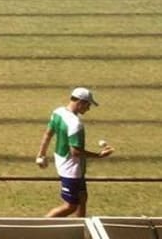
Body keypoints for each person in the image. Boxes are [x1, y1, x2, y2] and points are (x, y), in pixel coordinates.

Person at [36, 87, 112, 217]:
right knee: (70, 206)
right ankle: (39, 226)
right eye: (88, 105)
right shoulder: (75, 124)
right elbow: (75, 152)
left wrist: (41, 153)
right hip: (71, 170)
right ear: (81, 102)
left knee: (82, 197)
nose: (88, 109)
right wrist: (99, 155)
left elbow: (48, 134)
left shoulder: (58, 112)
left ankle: (81, 226)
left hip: (64, 162)